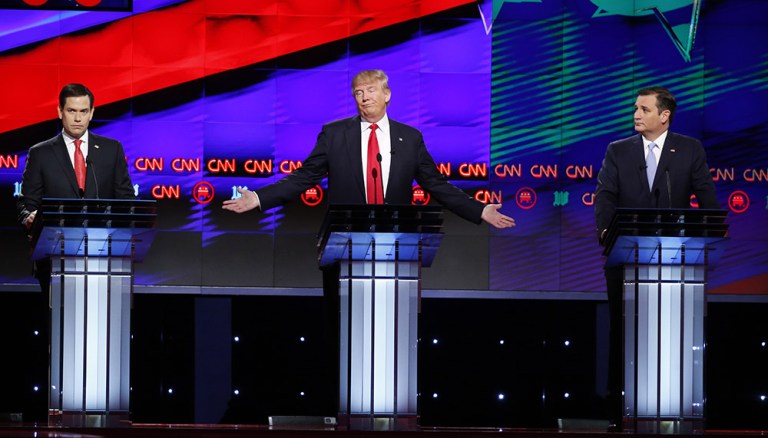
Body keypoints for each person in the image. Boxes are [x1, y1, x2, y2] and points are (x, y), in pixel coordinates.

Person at [594, 86, 718, 430]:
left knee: (672, 332)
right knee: (623, 331)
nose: (636, 114)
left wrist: (711, 231)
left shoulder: (689, 149)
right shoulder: (618, 151)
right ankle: (619, 411)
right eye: (635, 108)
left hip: (675, 261)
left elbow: (706, 196)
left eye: (644, 109)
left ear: (664, 116)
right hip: (625, 258)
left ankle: (675, 410)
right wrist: (606, 230)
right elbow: (605, 195)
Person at [16, 83, 136, 291]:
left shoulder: (111, 150)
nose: (78, 118)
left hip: (104, 256)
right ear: (60, 111)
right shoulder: (40, 153)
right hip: (54, 257)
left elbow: (125, 200)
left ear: (92, 113)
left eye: (84, 111)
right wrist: (29, 217)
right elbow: (27, 204)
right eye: (71, 111)